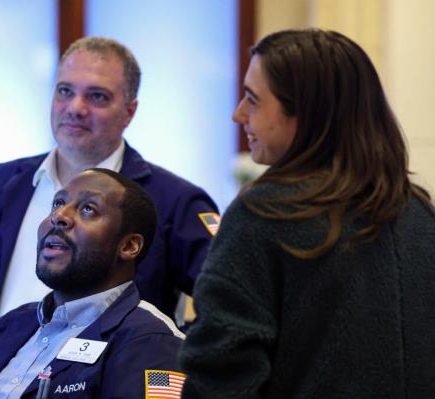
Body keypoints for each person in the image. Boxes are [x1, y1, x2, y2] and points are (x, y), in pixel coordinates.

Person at [179, 28, 435, 398]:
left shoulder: (263, 215)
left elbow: (219, 375)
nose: (238, 114)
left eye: (253, 99)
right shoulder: (420, 215)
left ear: (306, 113)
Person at [0, 37, 220, 344]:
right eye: (65, 91)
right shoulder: (0, 185)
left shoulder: (173, 201)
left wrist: (174, 356)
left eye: (97, 97)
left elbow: (232, 303)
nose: (76, 108)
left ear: (129, 112)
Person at [0, 168, 186, 399]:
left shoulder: (152, 341)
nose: (59, 216)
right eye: (57, 203)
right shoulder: (10, 325)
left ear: (128, 247)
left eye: (88, 209)